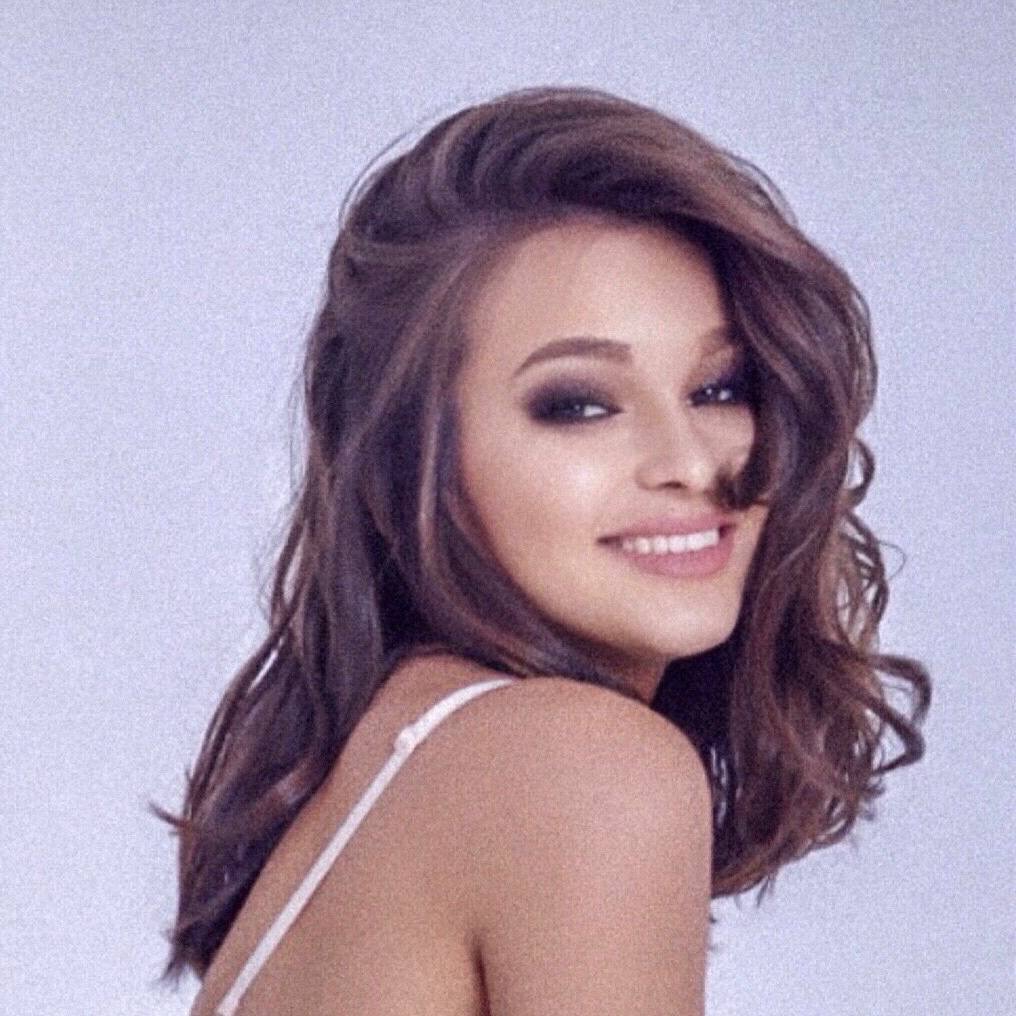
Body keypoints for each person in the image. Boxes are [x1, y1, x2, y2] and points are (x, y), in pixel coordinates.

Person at [160, 86, 930, 1015]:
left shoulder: (422, 745)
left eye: (720, 388)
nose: (691, 463)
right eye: (579, 405)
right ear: (413, 462)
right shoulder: (578, 766)